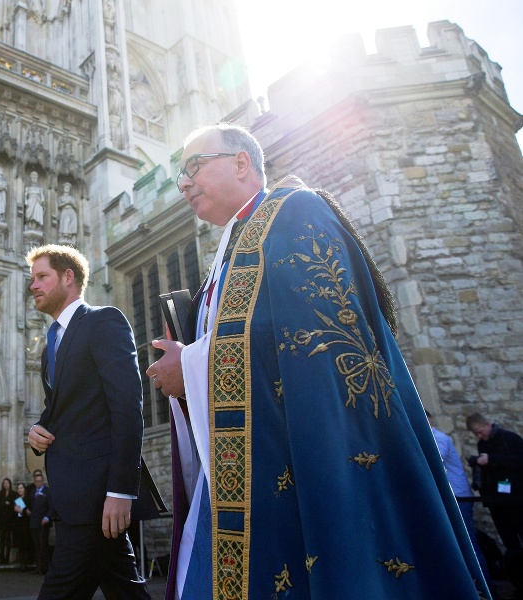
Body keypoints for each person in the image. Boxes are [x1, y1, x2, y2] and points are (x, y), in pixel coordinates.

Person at [146, 122, 490, 599]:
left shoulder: (293, 212)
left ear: (241, 163)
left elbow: (319, 340)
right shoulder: (228, 251)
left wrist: (193, 365)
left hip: (307, 462)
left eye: (192, 167)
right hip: (249, 466)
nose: (183, 183)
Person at [26, 244, 149, 599]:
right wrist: (37, 429)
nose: (33, 285)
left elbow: (128, 406)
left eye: (41, 277)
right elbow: (59, 411)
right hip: (71, 496)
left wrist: (121, 491)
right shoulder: (50, 344)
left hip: (97, 497)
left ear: (68, 277)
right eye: (32, 279)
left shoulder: (102, 320)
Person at [427, 411, 491, 588]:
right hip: (450, 498)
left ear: (428, 420)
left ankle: (483, 586)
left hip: (458, 498)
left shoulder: (438, 438)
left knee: (468, 542)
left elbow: (435, 462)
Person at [467, 412, 523, 592]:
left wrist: (492, 459)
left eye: (479, 431)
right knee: (510, 541)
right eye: (476, 434)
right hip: (497, 500)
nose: (479, 436)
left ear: (486, 424)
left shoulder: (509, 438)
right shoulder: (482, 445)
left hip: (516, 498)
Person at [28, 471, 53, 576]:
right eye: (36, 481)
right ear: (34, 482)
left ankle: (45, 567)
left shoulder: (47, 492)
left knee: (43, 546)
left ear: (43, 481)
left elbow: (51, 506)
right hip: (33, 523)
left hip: (43, 523)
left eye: (40, 481)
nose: (38, 483)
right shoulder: (32, 492)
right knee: (36, 547)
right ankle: (38, 567)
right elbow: (30, 505)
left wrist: (47, 517)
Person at [0, 477, 16, 564]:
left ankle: (7, 557)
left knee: (8, 539)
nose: (6, 484)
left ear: (10, 484)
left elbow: (18, 504)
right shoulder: (1, 493)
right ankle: (1, 557)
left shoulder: (13, 493)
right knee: (2, 539)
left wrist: (9, 504)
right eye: (4, 483)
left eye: (7, 483)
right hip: (1, 520)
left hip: (9, 519)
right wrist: (4, 503)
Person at [13, 482, 32, 566]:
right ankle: (21, 562)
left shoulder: (28, 499)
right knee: (20, 544)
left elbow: (28, 512)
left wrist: (21, 510)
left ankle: (26, 563)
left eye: (21, 488)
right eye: (18, 488)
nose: (19, 490)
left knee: (26, 544)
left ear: (24, 489)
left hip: (26, 524)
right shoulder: (17, 499)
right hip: (19, 524)